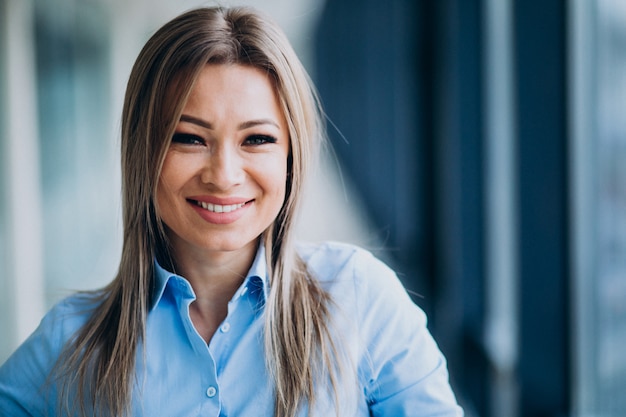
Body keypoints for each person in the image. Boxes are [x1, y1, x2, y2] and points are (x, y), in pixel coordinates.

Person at [0, 6, 463, 417]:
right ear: (144, 155)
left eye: (256, 140)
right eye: (189, 138)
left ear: (291, 157)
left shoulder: (362, 301)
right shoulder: (72, 340)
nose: (223, 175)